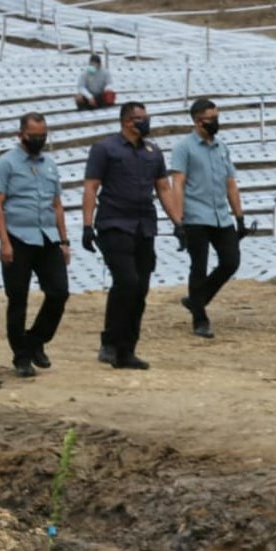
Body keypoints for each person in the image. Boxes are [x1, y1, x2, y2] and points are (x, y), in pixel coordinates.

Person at [82, 102, 184, 369]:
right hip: (114, 224)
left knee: (140, 288)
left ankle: (127, 349)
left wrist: (178, 223)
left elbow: (162, 188)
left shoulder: (153, 151)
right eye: (140, 118)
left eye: (146, 118)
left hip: (144, 226)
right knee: (126, 281)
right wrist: (86, 225)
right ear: (127, 122)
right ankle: (110, 342)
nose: (145, 122)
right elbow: (92, 187)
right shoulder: (105, 149)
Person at [0, 112, 70, 378]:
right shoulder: (6, 164)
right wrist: (4, 241)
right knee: (18, 299)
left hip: (47, 237)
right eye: (34, 136)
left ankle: (35, 341)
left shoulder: (50, 164)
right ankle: (21, 356)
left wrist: (64, 239)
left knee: (59, 292)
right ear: (21, 134)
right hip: (18, 238)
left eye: (43, 135)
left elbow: (57, 204)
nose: (39, 140)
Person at [170, 98, 250, 339]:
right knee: (199, 265)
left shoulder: (221, 147)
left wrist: (240, 217)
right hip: (196, 215)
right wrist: (178, 221)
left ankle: (198, 298)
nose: (216, 122)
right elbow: (178, 184)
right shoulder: (184, 148)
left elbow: (231, 184)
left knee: (231, 260)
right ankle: (200, 318)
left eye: (217, 117)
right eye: (212, 118)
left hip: (221, 216)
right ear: (198, 121)